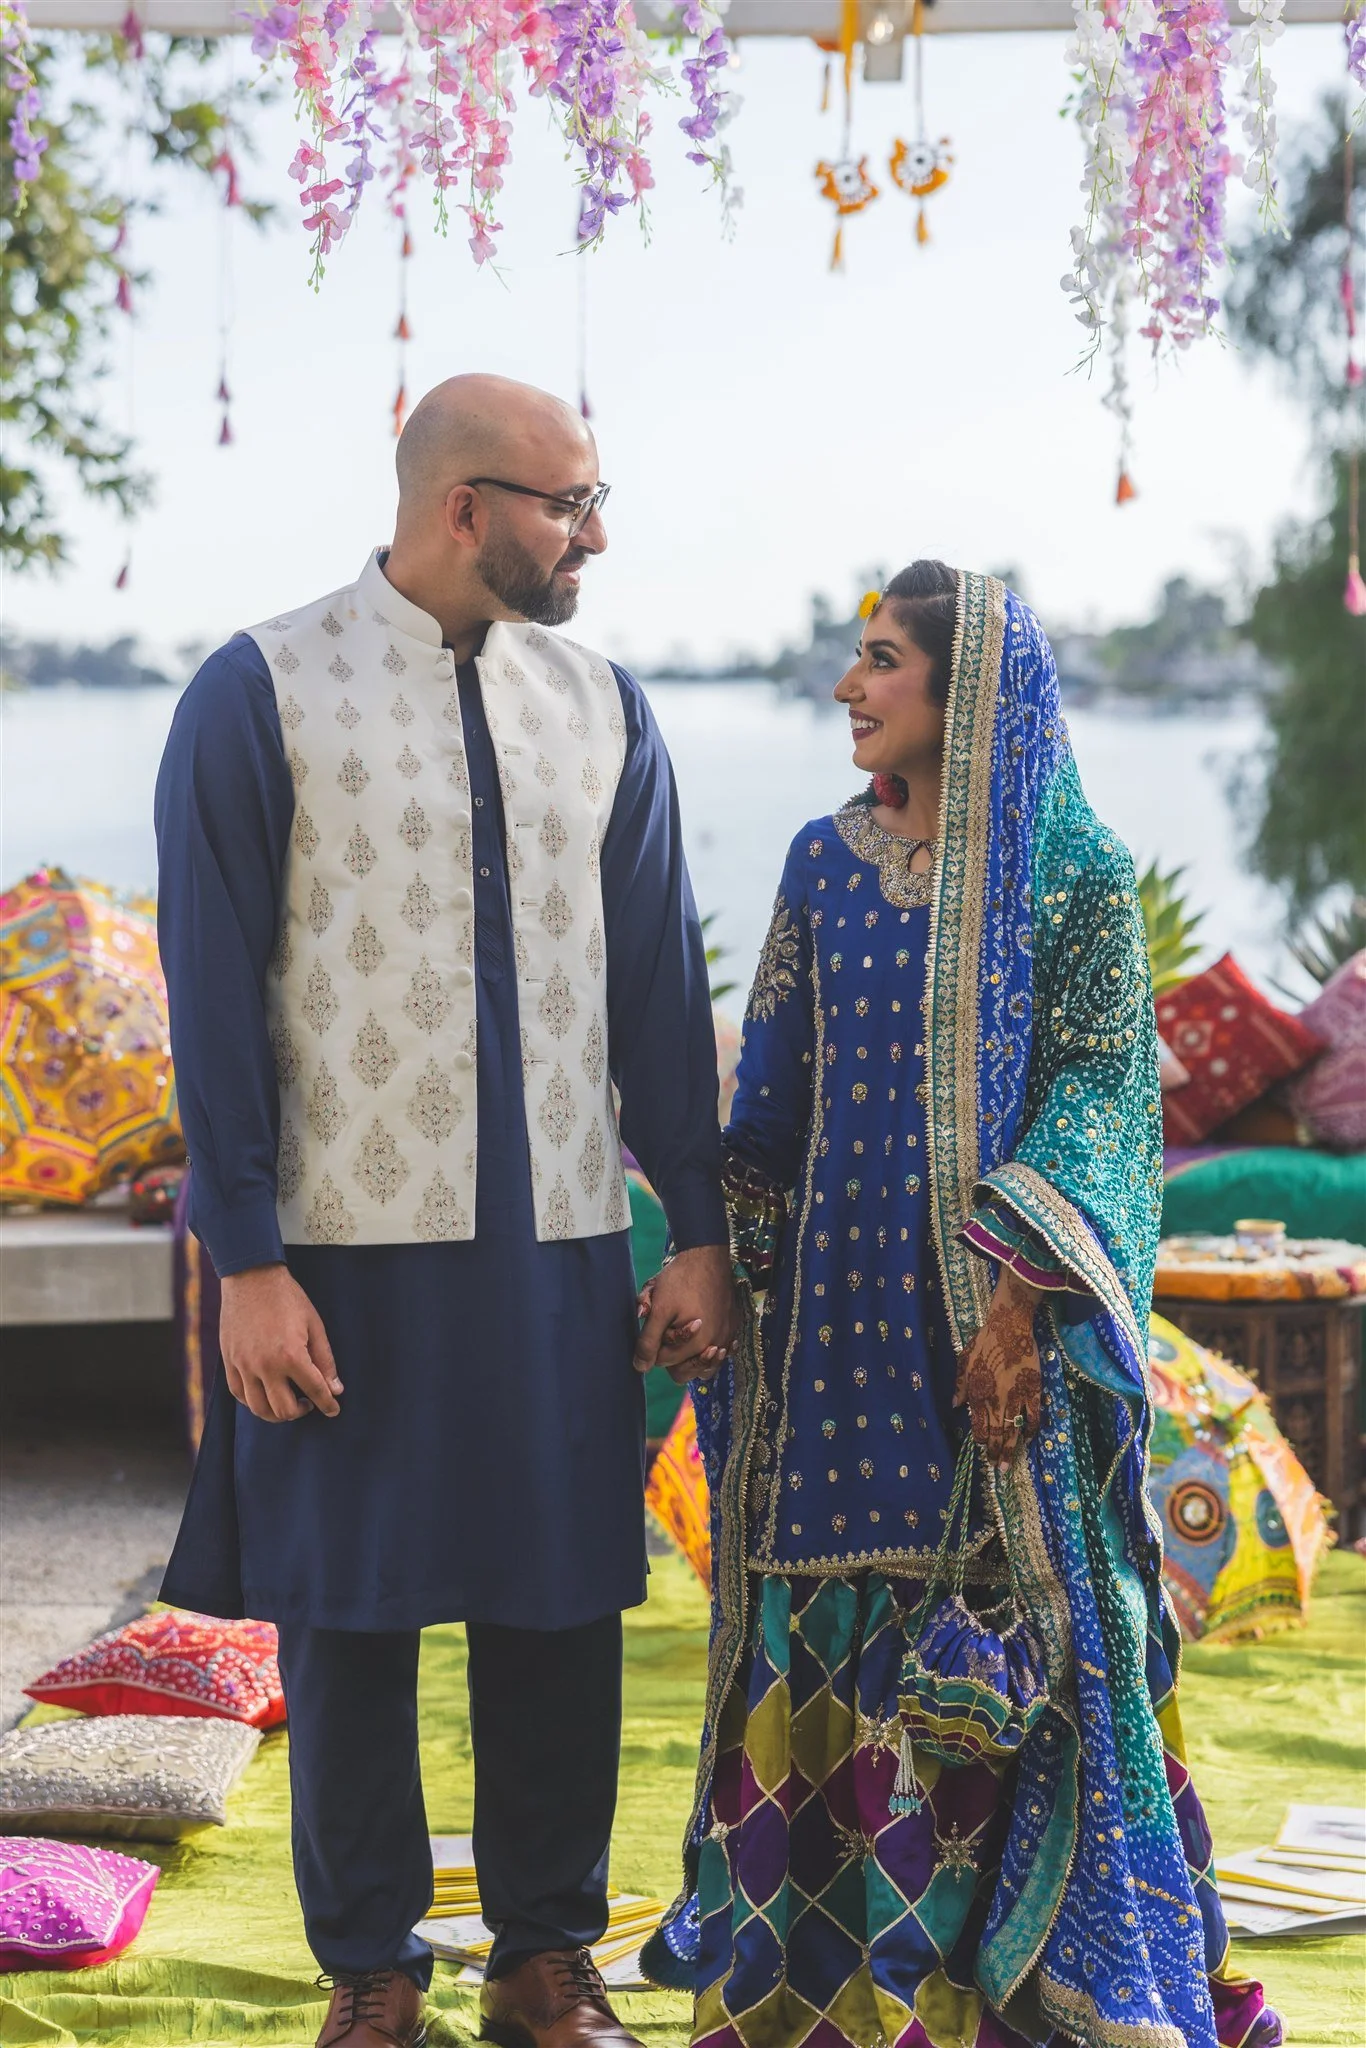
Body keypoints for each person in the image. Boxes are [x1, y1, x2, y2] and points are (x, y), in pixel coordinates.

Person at [154, 374, 736, 2048]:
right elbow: (215, 994)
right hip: (333, 1243)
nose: (596, 535)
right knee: (349, 1610)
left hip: (556, 1235)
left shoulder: (607, 707)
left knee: (557, 1598)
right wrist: (247, 1259)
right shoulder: (258, 689)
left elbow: (650, 984)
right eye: (568, 503)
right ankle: (374, 1977)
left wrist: (688, 1221)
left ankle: (546, 1963)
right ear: (461, 506)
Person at [642, 564, 1281, 2048]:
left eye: (878, 662)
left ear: (965, 685)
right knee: (814, 1611)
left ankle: (1018, 1999)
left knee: (1024, 1624)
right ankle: (816, 1999)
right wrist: (711, 1265)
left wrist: (1012, 1312)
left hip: (992, 1347)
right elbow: (770, 1103)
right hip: (827, 1342)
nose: (848, 688)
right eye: (853, 660)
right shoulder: (818, 860)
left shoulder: (1069, 874)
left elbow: (1102, 1101)